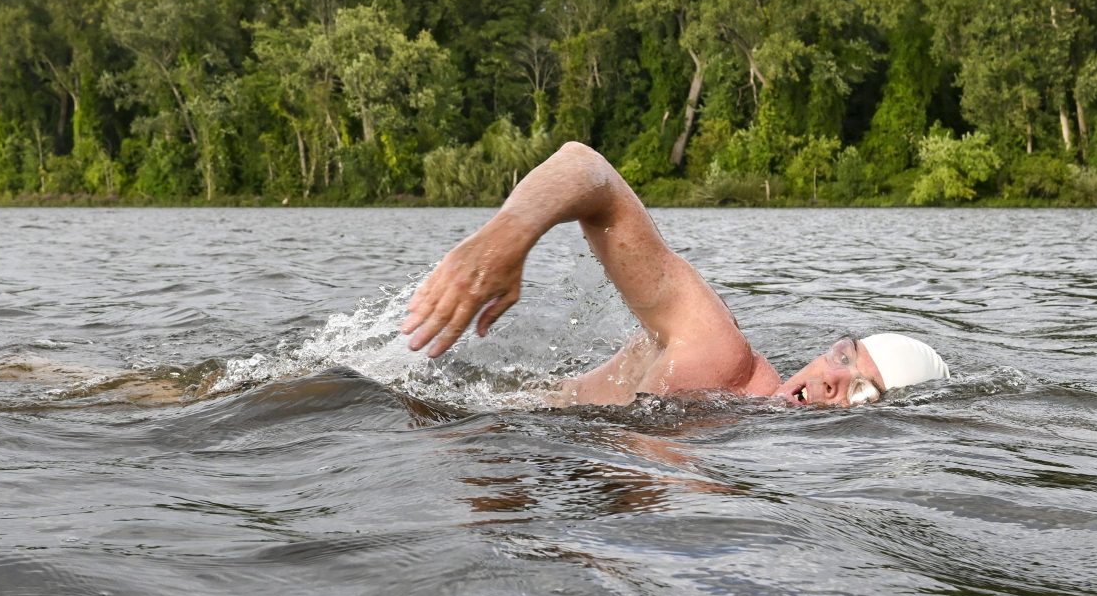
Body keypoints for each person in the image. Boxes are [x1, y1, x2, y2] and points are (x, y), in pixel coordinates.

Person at [401, 142, 949, 407]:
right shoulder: (720, 356)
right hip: (439, 404)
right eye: (844, 356)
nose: (832, 379)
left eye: (859, 394)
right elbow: (586, 169)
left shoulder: (744, 436)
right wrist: (506, 237)